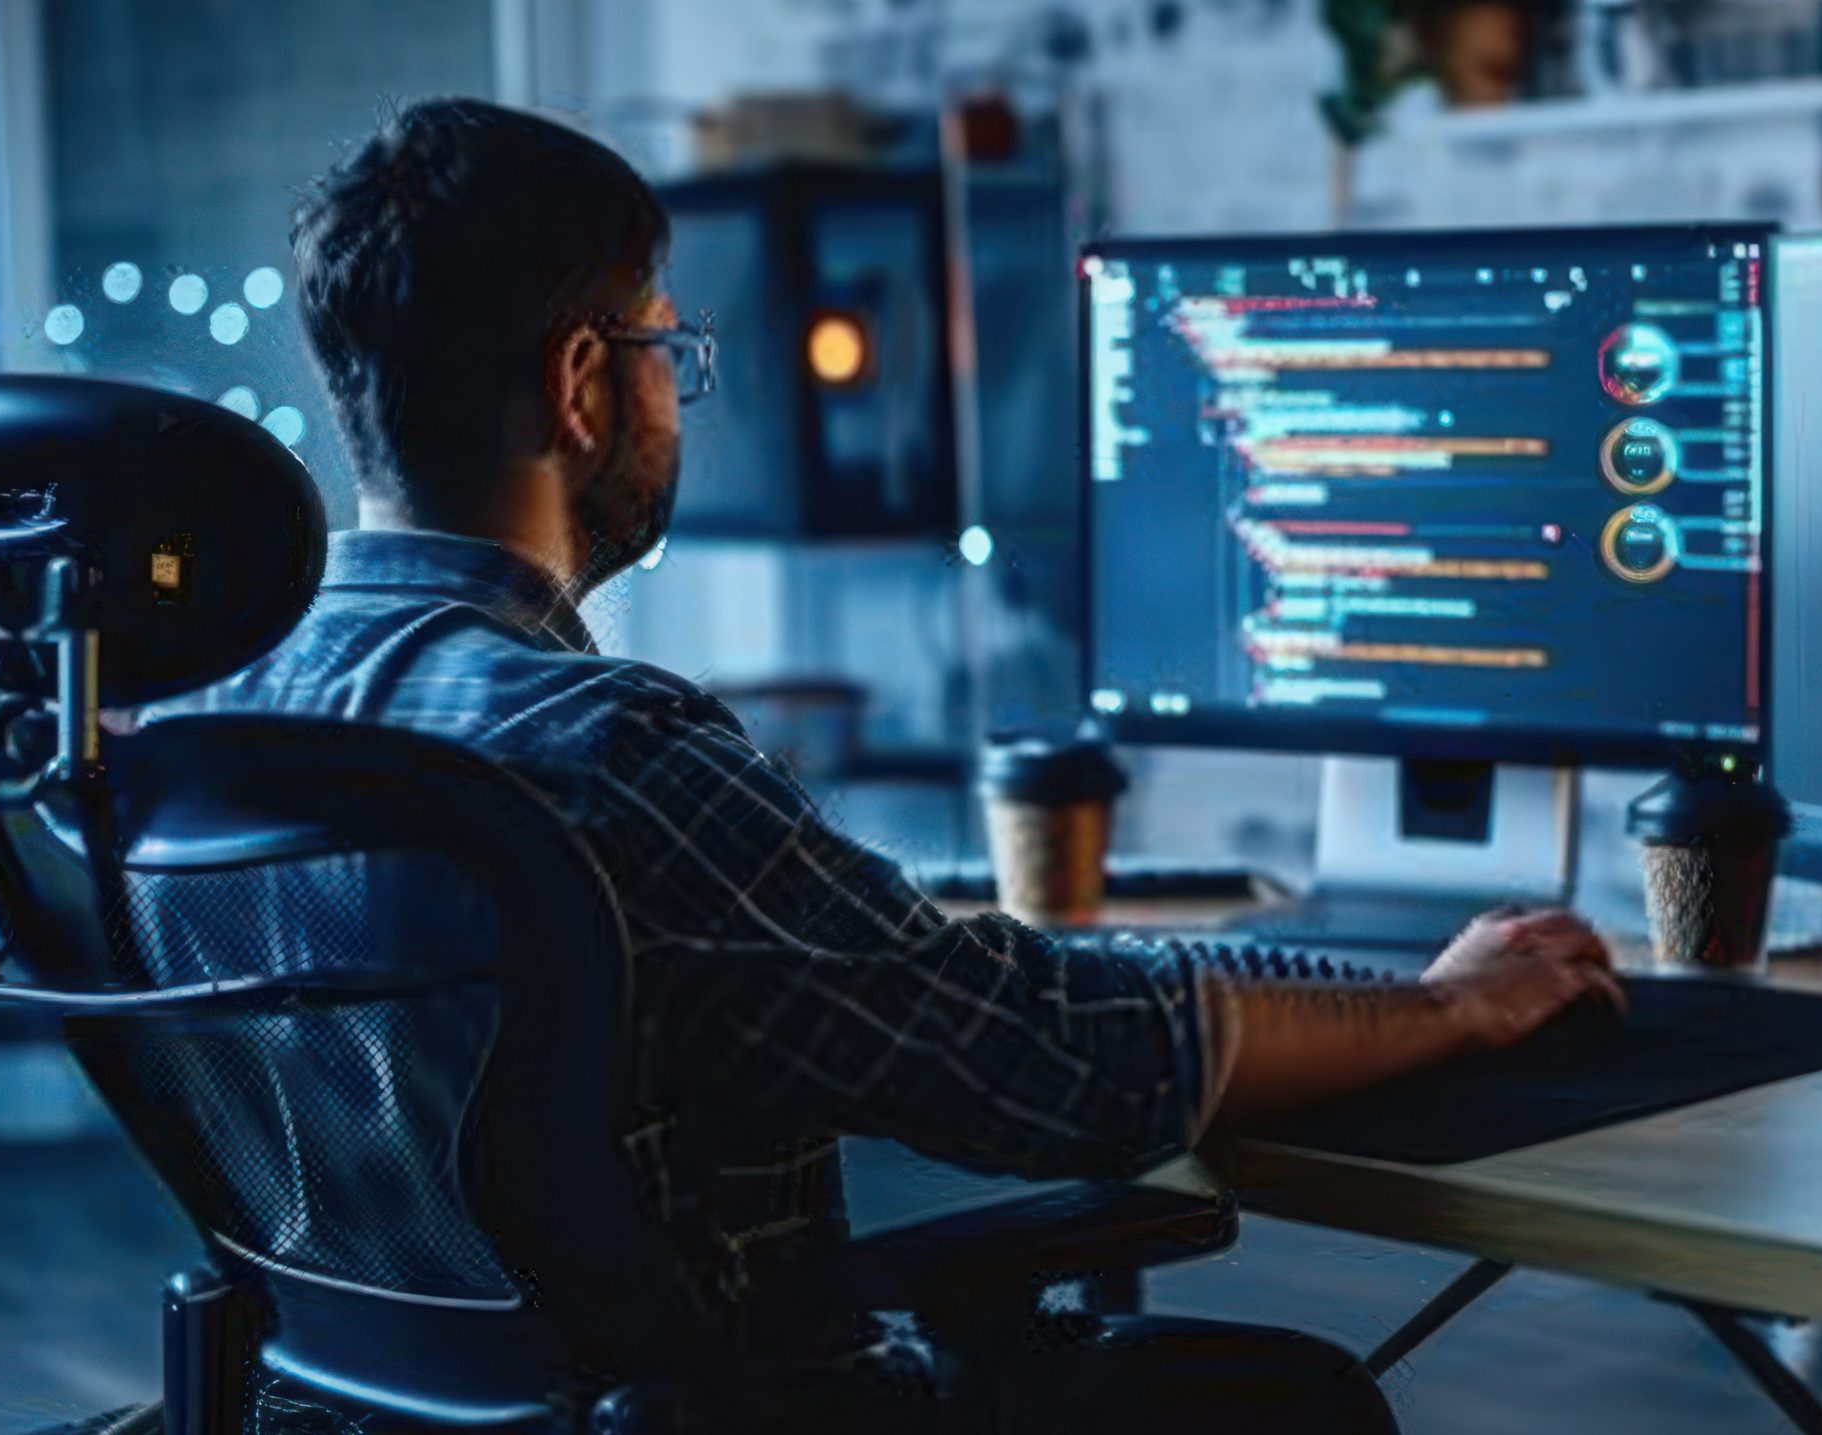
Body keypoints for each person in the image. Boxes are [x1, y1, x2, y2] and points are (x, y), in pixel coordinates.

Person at [179, 97, 1620, 1432]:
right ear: (580, 386)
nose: (680, 399)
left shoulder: (214, 726)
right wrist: (1454, 1004)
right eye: (667, 353)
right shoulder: (600, 747)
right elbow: (1060, 1068)